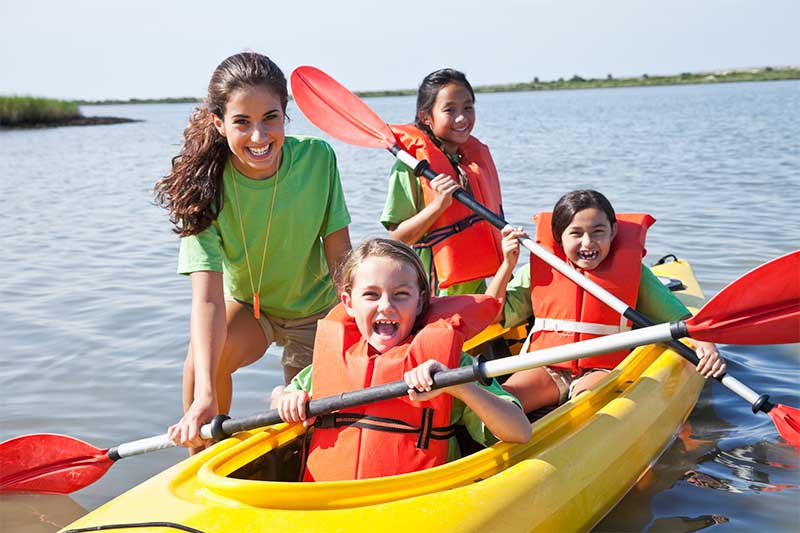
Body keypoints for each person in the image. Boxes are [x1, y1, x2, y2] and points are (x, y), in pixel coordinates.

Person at [155, 52, 352, 451]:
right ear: (219, 122)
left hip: (317, 310)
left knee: (308, 424)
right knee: (200, 366)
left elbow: (341, 258)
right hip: (252, 308)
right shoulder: (203, 188)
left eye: (270, 118)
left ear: (285, 114)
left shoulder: (317, 159)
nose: (259, 137)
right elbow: (208, 299)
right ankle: (200, 460)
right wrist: (205, 396)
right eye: (242, 122)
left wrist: (350, 328)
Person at [273, 238, 531, 482]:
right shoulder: (328, 365)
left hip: (413, 499)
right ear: (348, 303)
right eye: (371, 295)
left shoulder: (449, 365)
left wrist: (457, 386)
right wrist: (286, 398)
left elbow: (519, 431)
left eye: (401, 294)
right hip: (329, 501)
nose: (386, 305)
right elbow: (280, 397)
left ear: (420, 303)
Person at [486, 190, 727, 413]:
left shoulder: (635, 276)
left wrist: (707, 347)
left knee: (584, 407)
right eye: (576, 233)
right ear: (559, 236)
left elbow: (685, 321)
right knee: (502, 403)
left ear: (612, 231)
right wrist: (508, 264)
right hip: (547, 366)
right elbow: (494, 313)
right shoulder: (536, 271)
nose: (588, 243)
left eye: (598, 231)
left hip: (602, 369)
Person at [380, 68, 504, 296]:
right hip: (433, 291)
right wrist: (438, 205)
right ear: (426, 117)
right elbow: (397, 238)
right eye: (450, 110)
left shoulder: (472, 162)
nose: (462, 118)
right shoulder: (409, 166)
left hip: (475, 287)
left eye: (468, 107)